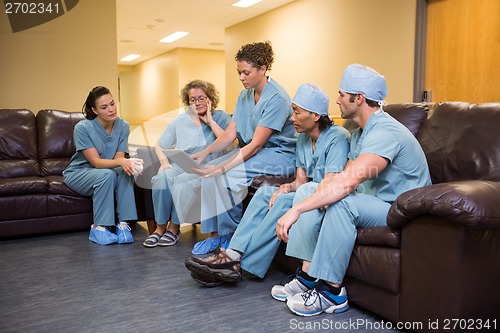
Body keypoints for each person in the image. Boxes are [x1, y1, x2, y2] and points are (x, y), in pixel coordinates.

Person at [271, 64, 432, 316]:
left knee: (341, 201)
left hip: (400, 209)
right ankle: (307, 277)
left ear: (358, 99)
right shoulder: (359, 134)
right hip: (373, 201)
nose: (336, 101)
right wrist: (316, 192)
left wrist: (297, 211)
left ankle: (332, 293)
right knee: (311, 190)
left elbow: (348, 183)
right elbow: (342, 177)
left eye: (341, 95)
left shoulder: (385, 132)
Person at [184, 83, 350, 286]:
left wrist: (292, 197)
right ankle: (232, 254)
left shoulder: (338, 138)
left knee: (281, 204)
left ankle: (239, 265)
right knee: (265, 194)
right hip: (306, 191)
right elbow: (300, 181)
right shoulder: (302, 140)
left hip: (324, 198)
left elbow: (329, 186)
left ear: (315, 116)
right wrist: (284, 187)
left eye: (296, 112)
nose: (291, 118)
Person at [171, 41, 297, 255]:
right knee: (208, 173)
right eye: (239, 72)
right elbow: (231, 133)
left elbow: (256, 145)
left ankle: (232, 236)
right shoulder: (244, 95)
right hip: (255, 150)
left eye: (246, 73)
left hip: (279, 154)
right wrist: (207, 152)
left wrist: (223, 168)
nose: (241, 78)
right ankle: (215, 234)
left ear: (263, 69)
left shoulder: (277, 98)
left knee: (226, 176)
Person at [142, 80, 232, 248]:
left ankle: (174, 228)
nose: (197, 103)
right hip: (180, 164)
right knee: (162, 178)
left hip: (206, 168)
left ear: (210, 99)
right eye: (192, 99)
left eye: (201, 98)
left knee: (184, 182)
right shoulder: (180, 121)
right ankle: (160, 229)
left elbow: (230, 143)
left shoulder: (222, 117)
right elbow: (160, 145)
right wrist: (163, 163)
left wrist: (210, 121)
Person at [63, 86, 143, 245]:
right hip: (80, 173)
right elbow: (96, 162)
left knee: (125, 171)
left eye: (113, 104)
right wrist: (121, 161)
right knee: (108, 173)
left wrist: (126, 163)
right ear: (95, 110)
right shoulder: (82, 128)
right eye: (104, 107)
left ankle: (123, 224)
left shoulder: (123, 126)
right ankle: (99, 228)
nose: (111, 109)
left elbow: (119, 159)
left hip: (108, 171)